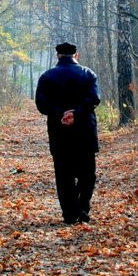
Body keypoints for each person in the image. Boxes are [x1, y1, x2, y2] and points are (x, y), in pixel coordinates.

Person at [35, 42, 101, 225]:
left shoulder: (47, 77)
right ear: (76, 55)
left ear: (58, 56)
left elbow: (41, 104)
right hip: (85, 130)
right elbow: (94, 99)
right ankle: (82, 207)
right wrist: (77, 114)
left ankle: (69, 214)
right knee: (87, 172)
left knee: (63, 173)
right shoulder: (88, 74)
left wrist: (61, 114)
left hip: (59, 131)